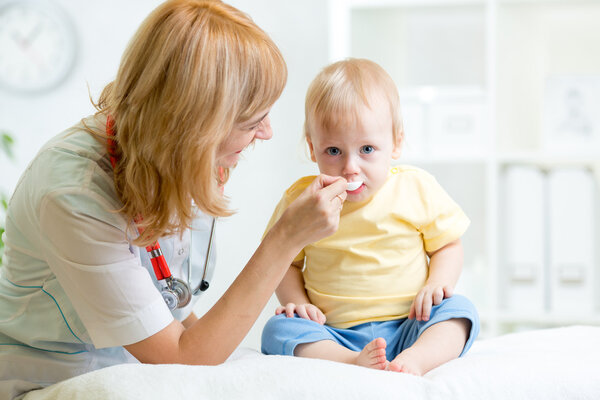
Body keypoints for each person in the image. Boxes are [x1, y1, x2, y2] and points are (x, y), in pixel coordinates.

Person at [0, 1, 349, 398]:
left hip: (137, 366)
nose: (266, 132)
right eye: (252, 121)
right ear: (196, 126)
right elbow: (181, 357)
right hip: (53, 380)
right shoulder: (72, 195)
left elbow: (169, 310)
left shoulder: (173, 158)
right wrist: (286, 239)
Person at [261, 58, 480, 375]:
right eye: (334, 151)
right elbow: (284, 263)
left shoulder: (415, 187)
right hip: (334, 334)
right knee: (278, 329)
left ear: (396, 143)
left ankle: (415, 360)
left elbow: (448, 245)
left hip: (410, 324)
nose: (350, 167)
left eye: (366, 149)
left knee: (460, 311)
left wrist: (437, 284)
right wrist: (299, 302)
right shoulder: (304, 200)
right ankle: (351, 362)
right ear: (312, 148)